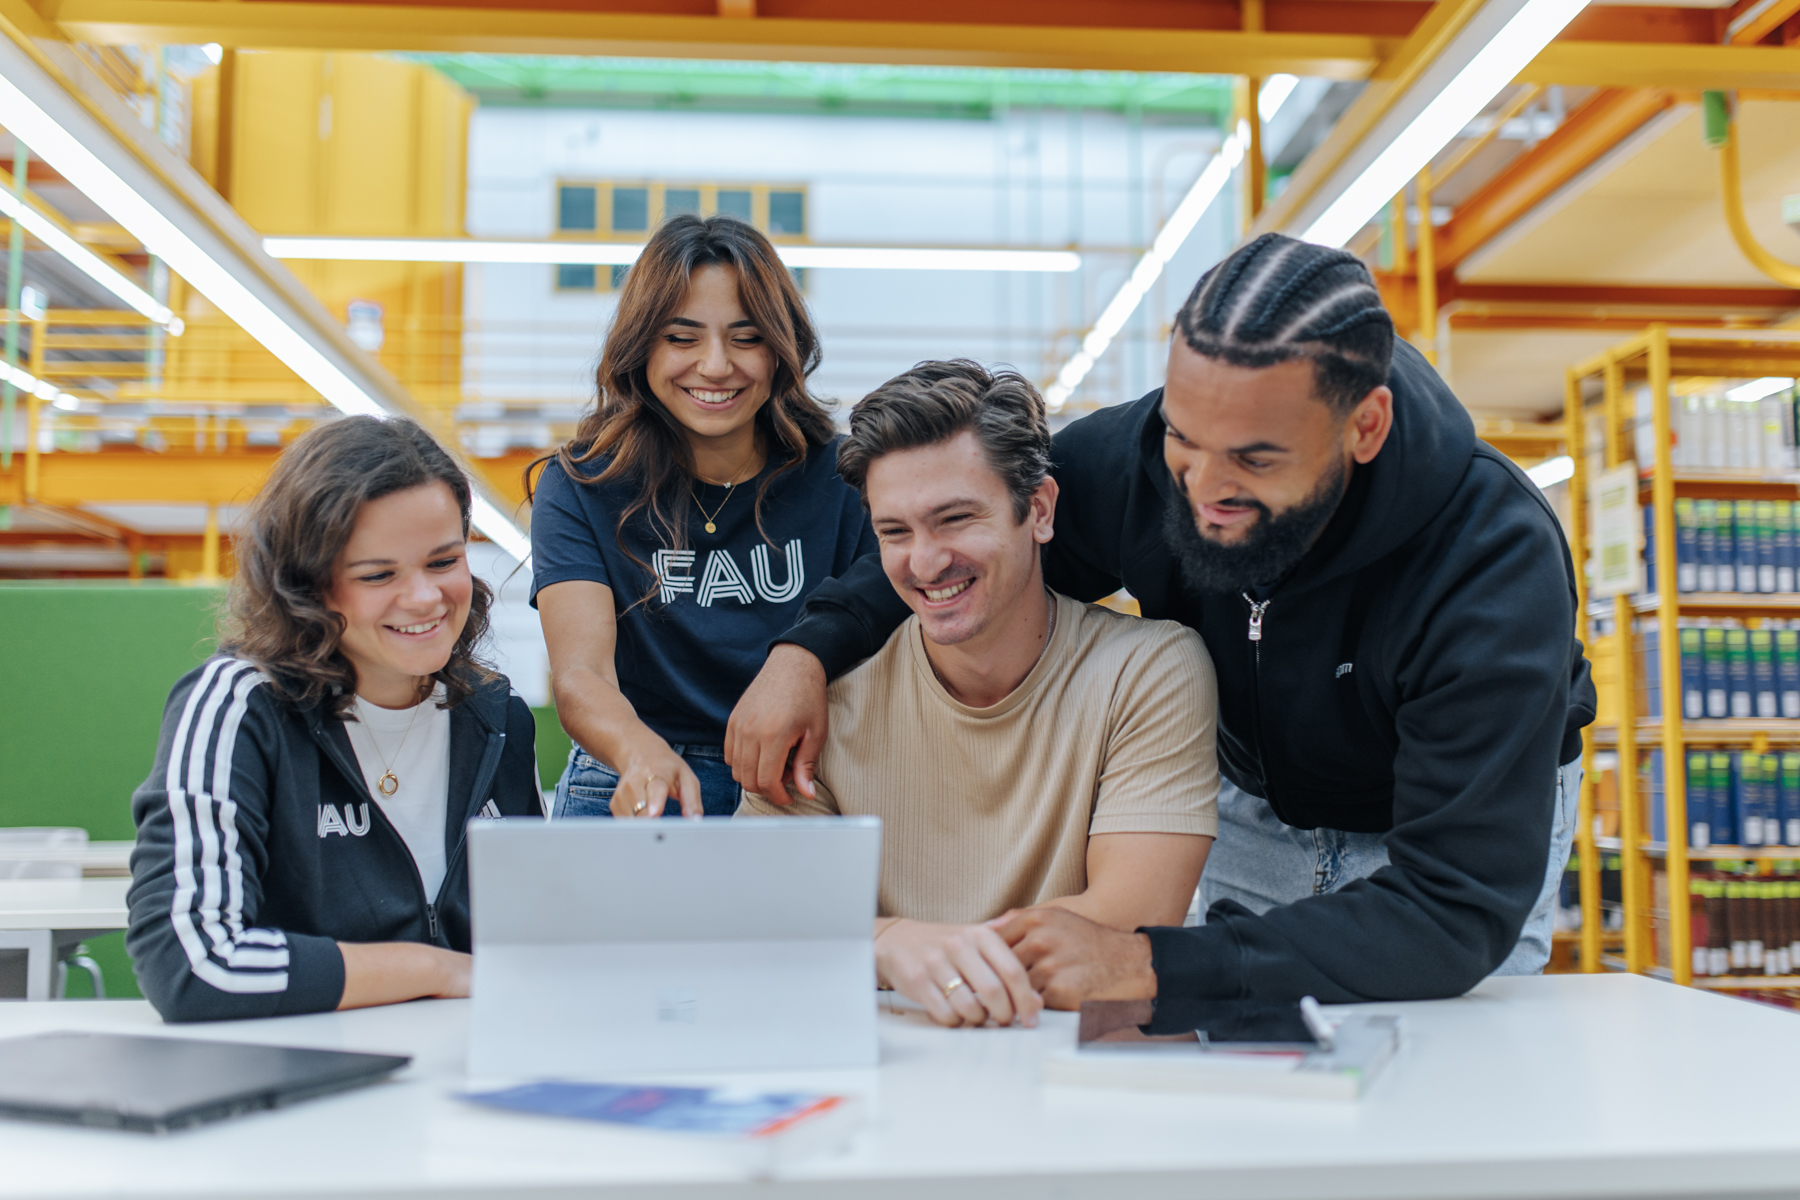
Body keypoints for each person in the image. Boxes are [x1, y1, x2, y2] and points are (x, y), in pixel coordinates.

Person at [728, 234, 1596, 1009]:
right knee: (1248, 1060)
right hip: (1255, 804)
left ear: (1363, 426)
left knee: (1449, 1059)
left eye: (1255, 458)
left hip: (1438, 820)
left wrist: (1156, 966)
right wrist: (806, 651)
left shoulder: (1491, 558)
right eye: (1186, 437)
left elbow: (1451, 911)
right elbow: (955, 548)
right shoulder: (1135, 463)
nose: (1205, 490)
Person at [737, 360, 1218, 1028]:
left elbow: (1129, 921)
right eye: (895, 532)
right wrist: (886, 943)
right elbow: (759, 919)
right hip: (885, 1076)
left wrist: (879, 943)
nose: (926, 562)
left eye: (956, 519)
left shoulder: (1148, 671)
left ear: (1040, 510)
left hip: (1070, 1072)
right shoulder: (819, 704)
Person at [126, 417, 544, 1022]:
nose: (425, 597)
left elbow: (528, 941)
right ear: (309, 587)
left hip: (454, 1075)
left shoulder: (494, 715)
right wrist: (433, 969)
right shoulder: (237, 706)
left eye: (443, 560)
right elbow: (189, 962)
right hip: (296, 1076)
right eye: (379, 575)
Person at [529, 214, 876, 819]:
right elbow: (581, 674)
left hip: (798, 782)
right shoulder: (584, 484)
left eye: (746, 339)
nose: (716, 366)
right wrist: (638, 750)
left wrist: (806, 657)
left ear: (782, 349)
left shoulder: (845, 478)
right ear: (641, 346)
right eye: (682, 338)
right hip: (631, 771)